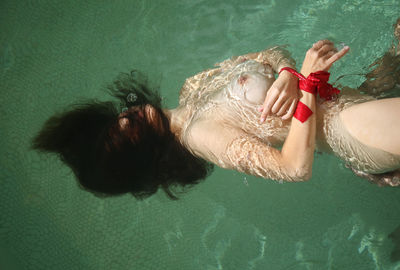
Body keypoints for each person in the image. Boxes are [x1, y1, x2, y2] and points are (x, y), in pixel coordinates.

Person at [33, 20, 400, 200]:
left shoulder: (191, 87)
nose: (125, 118)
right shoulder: (200, 137)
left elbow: (269, 53)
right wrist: (305, 85)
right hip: (351, 129)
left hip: (355, 96)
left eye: (114, 122)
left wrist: (289, 73)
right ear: (141, 153)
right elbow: (294, 168)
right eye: (123, 134)